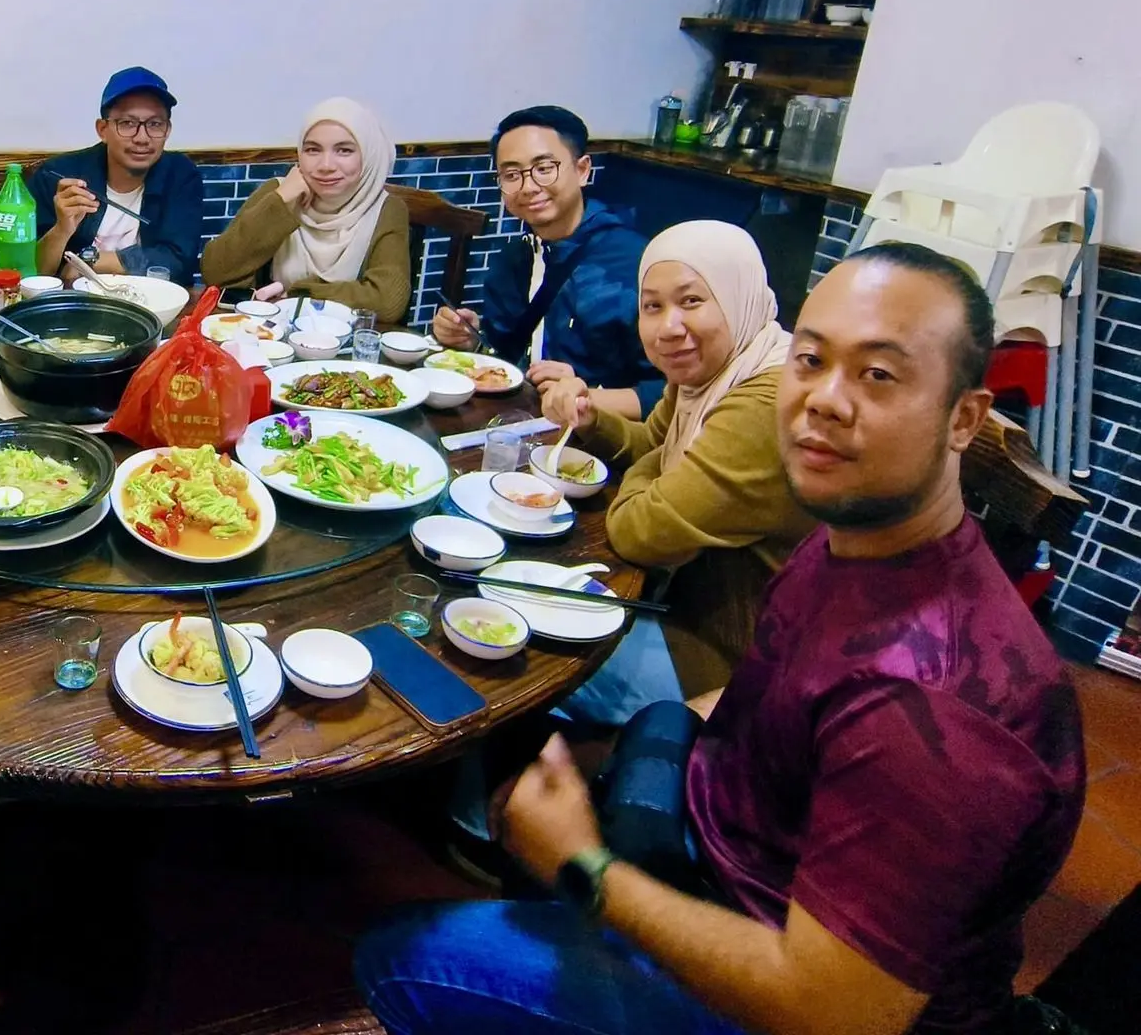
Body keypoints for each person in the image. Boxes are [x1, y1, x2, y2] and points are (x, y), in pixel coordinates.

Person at [356, 242, 1086, 1035]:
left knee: (397, 959)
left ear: (964, 418)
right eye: (811, 359)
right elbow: (777, 691)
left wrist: (585, 865)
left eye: (878, 374)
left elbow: (836, 1014)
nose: (825, 400)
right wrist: (655, 740)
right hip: (731, 851)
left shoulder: (935, 710)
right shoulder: (849, 540)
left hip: (788, 989)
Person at [540, 221, 817, 722]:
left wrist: (653, 468)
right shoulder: (712, 373)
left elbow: (642, 532)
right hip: (674, 603)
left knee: (530, 659)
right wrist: (591, 418)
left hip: (729, 659)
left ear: (738, 294)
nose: (669, 327)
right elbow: (653, 443)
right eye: (652, 306)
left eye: (691, 301)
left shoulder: (766, 399)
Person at [432, 106, 660, 417]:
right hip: (518, 420)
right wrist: (471, 339)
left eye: (544, 168)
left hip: (599, 435)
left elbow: (672, 393)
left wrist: (585, 396)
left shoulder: (638, 265)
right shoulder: (514, 258)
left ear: (582, 170)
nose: (528, 187)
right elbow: (506, 354)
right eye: (511, 175)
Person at [199, 98, 411, 325]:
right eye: (312, 150)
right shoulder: (280, 192)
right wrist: (281, 201)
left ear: (368, 156)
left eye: (344, 150)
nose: (326, 166)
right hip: (270, 335)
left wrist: (300, 293)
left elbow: (388, 301)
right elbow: (215, 272)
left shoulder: (385, 208)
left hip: (342, 340)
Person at [28, 66, 204, 284]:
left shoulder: (180, 176)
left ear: (167, 130)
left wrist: (89, 261)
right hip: (78, 301)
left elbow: (179, 262)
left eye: (155, 124)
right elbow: (32, 274)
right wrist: (62, 230)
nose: (142, 138)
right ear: (102, 129)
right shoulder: (58, 176)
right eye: (127, 124)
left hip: (154, 300)